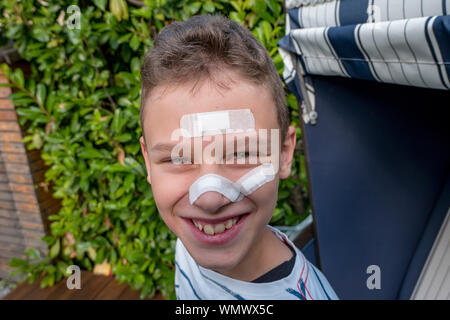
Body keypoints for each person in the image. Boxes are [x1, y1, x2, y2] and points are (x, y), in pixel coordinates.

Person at [139, 14, 338, 300]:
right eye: (179, 159)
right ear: (148, 162)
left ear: (283, 154)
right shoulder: (191, 234)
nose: (208, 198)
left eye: (243, 153)